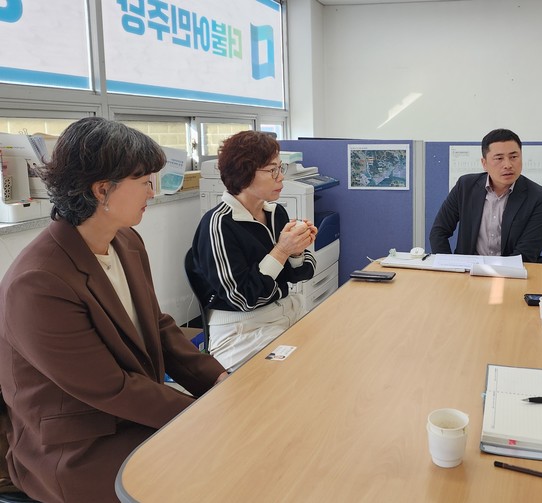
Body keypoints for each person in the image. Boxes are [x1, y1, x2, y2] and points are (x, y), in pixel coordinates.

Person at [0, 117, 228, 503]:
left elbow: (158, 326)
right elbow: (110, 387)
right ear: (102, 190)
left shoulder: (126, 241)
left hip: (131, 413)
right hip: (78, 445)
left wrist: (219, 381)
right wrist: (200, 414)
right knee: (212, 468)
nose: (152, 192)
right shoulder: (38, 282)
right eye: (144, 182)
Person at [189, 131, 316, 372]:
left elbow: (301, 274)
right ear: (244, 173)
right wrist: (281, 251)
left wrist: (297, 252)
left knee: (333, 348)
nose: (281, 177)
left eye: (280, 168)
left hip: (285, 310)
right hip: (242, 329)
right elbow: (243, 297)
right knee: (301, 370)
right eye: (272, 170)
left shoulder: (276, 213)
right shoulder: (218, 224)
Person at [429, 128, 542, 262]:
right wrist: (448, 265)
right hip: (469, 269)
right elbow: (439, 232)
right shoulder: (465, 186)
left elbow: (527, 252)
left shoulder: (539, 197)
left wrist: (495, 272)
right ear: (484, 163)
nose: (508, 165)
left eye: (513, 157)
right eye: (499, 158)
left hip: (515, 270)